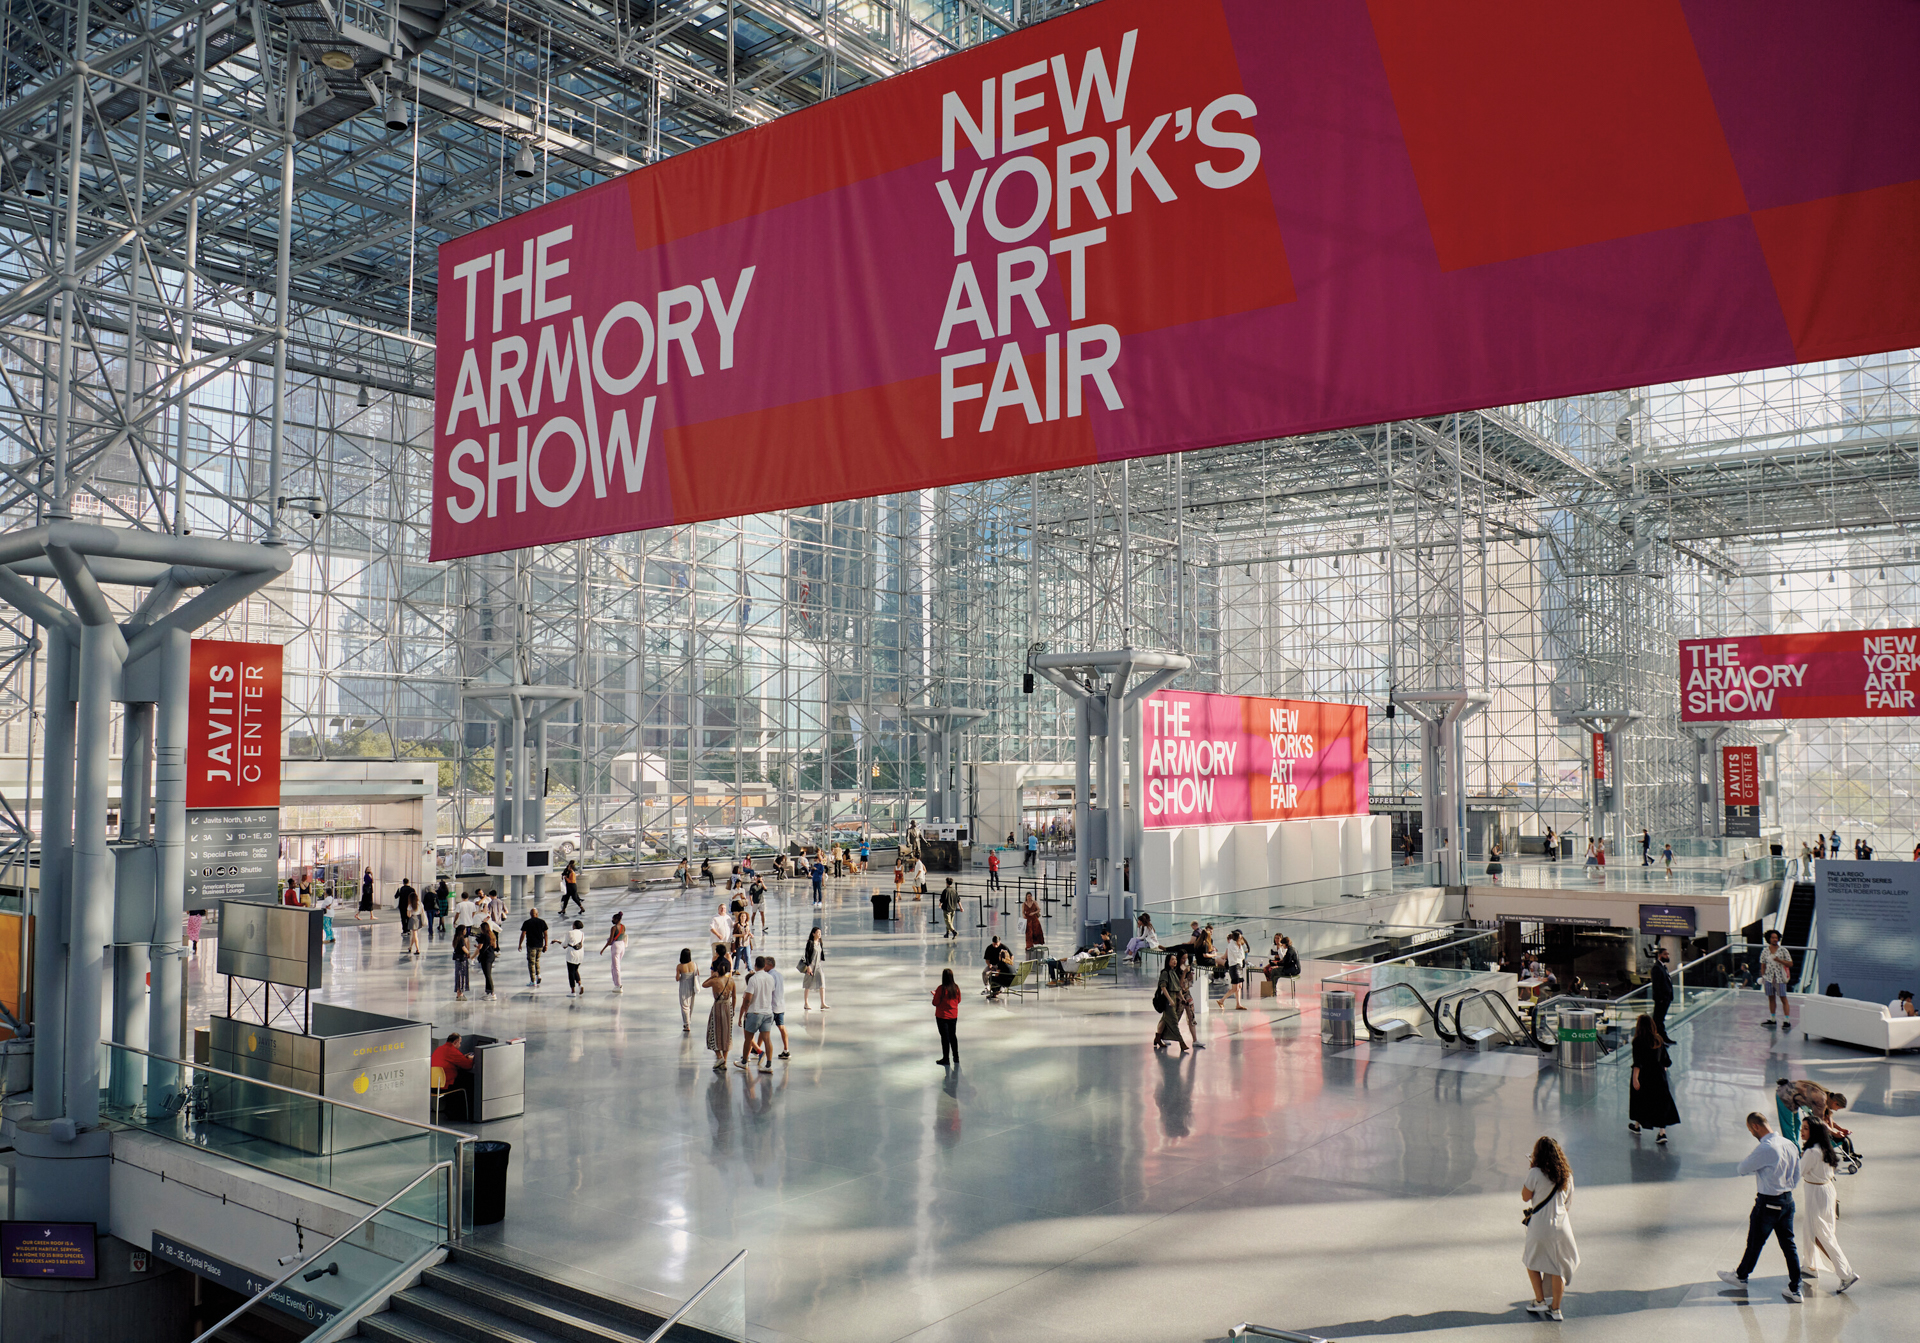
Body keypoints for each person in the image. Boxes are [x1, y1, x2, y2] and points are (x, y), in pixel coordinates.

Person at [1720, 1112, 1805, 1302]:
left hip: (1768, 1203)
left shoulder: (1766, 1148)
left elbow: (1742, 1169)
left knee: (1755, 1243)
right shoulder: (1789, 1143)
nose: (1751, 1133)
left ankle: (1741, 1277)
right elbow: (1797, 1174)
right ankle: (1795, 1287)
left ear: (1755, 1126)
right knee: (1789, 1245)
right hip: (1788, 1202)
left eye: (1750, 1130)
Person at [1520, 1136, 1579, 1320]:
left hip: (1540, 1226)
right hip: (1562, 1227)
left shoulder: (1535, 1173)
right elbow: (1568, 1203)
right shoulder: (1567, 1175)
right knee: (1557, 1268)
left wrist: (1532, 1170)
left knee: (1531, 1262)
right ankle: (1556, 1309)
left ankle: (1539, 1301)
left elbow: (1525, 1196)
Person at [1798, 1118, 1859, 1293]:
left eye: (1806, 1128)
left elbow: (1799, 1172)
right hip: (1826, 1191)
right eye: (1802, 1127)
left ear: (1814, 1131)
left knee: (1821, 1234)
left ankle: (1846, 1274)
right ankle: (1810, 1266)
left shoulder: (1811, 1152)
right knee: (1811, 1229)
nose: (1802, 1131)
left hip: (1815, 1194)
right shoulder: (1824, 1148)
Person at [1627, 1014, 1679, 1143]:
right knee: (1660, 1103)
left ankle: (1637, 1126)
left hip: (1645, 1076)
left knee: (1640, 1100)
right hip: (1659, 1076)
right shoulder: (1658, 1039)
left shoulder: (1638, 1041)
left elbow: (1637, 1063)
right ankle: (1662, 1133)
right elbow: (1666, 1060)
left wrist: (1635, 1079)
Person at [738, 957, 775, 1073]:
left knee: (748, 1039)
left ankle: (744, 1062)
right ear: (764, 965)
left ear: (755, 965)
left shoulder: (753, 979)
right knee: (767, 1039)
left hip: (755, 1013)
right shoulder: (770, 978)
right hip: (768, 1013)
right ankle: (768, 1065)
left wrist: (744, 1012)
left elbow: (748, 999)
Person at [1152, 948, 1189, 1053]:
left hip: (1173, 998)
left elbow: (1178, 989)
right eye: (1172, 960)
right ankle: (1182, 1043)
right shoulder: (1165, 973)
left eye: (1175, 959)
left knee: (1164, 1020)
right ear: (1168, 961)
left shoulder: (1173, 972)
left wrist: (1182, 999)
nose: (1175, 961)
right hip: (1168, 1000)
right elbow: (1163, 987)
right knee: (1173, 1021)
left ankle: (1158, 1038)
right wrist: (1170, 1000)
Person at [704, 959, 736, 1071]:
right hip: (728, 1007)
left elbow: (703, 985)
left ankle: (719, 1057)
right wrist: (733, 1009)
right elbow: (735, 997)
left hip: (718, 1007)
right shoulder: (731, 981)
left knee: (714, 1032)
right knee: (727, 1034)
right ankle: (724, 1061)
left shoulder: (715, 981)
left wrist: (712, 977)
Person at [1759, 929, 1795, 1030]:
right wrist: (1763, 977)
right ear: (1769, 939)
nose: (1775, 939)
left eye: (1776, 937)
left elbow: (1790, 963)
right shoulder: (1765, 951)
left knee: (1783, 998)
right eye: (1773, 938)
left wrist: (1779, 960)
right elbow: (1763, 965)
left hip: (1780, 978)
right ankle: (1772, 1018)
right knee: (1771, 998)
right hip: (1769, 978)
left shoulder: (1783, 950)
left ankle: (1787, 1020)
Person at [431, 1033, 475, 1109]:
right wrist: (471, 1059)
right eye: (460, 1043)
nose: (460, 1045)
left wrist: (463, 1057)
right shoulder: (452, 1051)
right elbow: (468, 1066)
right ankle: (466, 1112)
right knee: (470, 1080)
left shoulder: (439, 1048)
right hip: (444, 1085)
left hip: (432, 1085)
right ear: (455, 1042)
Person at [933, 969, 962, 1065]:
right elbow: (958, 1000)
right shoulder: (956, 988)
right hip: (953, 1015)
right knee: (953, 1036)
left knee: (945, 1037)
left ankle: (946, 1058)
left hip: (942, 1016)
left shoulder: (941, 989)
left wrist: (935, 995)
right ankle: (956, 1056)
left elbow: (935, 1002)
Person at [764, 954, 790, 1059]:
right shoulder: (779, 975)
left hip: (771, 1006)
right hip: (780, 1005)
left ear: (769, 965)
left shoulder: (770, 976)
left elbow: (769, 991)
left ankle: (757, 1050)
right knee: (782, 1027)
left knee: (764, 1029)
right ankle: (786, 1049)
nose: (763, 967)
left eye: (765, 964)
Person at [518, 906, 549, 988]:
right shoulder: (542, 922)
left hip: (531, 945)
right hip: (540, 945)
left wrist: (520, 944)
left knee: (531, 963)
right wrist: (546, 945)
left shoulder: (527, 922)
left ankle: (533, 981)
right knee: (537, 960)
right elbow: (545, 934)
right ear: (537, 914)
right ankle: (538, 975)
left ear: (530, 914)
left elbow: (523, 934)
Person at [1263, 933, 1301, 998]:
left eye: (1282, 944)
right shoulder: (1292, 949)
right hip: (1294, 968)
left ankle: (1272, 989)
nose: (1282, 945)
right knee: (1273, 971)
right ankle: (1272, 988)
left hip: (1292, 969)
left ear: (1285, 944)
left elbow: (1286, 962)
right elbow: (1285, 960)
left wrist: (1277, 964)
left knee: (1274, 971)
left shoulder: (1289, 951)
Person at [1650, 946, 1675, 1043]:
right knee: (1658, 1020)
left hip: (1666, 998)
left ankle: (1661, 1038)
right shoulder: (1656, 968)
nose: (1667, 956)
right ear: (1660, 956)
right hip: (1661, 999)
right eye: (1665, 954)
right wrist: (1661, 998)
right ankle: (1660, 1038)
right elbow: (1656, 985)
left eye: (1667, 954)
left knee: (1660, 1019)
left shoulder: (1663, 967)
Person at [800, 927, 828, 1010]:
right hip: (811, 966)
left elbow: (821, 953)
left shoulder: (820, 942)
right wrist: (808, 967)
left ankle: (823, 1003)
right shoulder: (810, 943)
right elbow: (807, 956)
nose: (819, 934)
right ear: (813, 934)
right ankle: (806, 1003)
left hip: (818, 966)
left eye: (820, 933)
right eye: (818, 933)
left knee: (822, 984)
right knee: (807, 985)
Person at [1222, 929, 1249, 1010]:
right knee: (1235, 988)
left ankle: (1238, 1004)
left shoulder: (1238, 945)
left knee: (1239, 986)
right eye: (1240, 938)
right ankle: (1222, 1000)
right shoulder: (1232, 945)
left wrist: (1241, 947)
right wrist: (1240, 948)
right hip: (1234, 967)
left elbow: (1243, 956)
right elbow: (1239, 956)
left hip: (1239, 966)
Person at [600, 911, 627, 993]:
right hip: (622, 945)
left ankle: (618, 985)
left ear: (616, 919)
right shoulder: (623, 926)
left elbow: (611, 940)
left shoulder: (614, 928)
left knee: (616, 967)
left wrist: (603, 949)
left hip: (616, 946)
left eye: (613, 919)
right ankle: (617, 984)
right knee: (616, 965)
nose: (612, 920)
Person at [675, 947, 700, 1032]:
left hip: (683, 986)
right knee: (691, 1004)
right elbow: (697, 973)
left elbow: (677, 978)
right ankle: (688, 1020)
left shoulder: (679, 966)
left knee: (684, 1005)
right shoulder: (694, 964)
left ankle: (686, 1024)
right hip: (692, 985)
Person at [564, 919, 586, 995]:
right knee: (575, 970)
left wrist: (558, 942)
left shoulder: (570, 933)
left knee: (571, 972)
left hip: (571, 955)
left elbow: (564, 944)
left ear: (574, 926)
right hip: (580, 955)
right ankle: (580, 984)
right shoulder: (582, 934)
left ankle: (573, 991)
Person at [451, 924, 472, 1001]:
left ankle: (458, 993)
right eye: (465, 930)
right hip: (462, 959)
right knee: (462, 975)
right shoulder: (461, 939)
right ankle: (460, 993)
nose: (465, 931)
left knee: (458, 975)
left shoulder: (456, 939)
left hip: (457, 959)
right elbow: (463, 948)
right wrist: (468, 953)